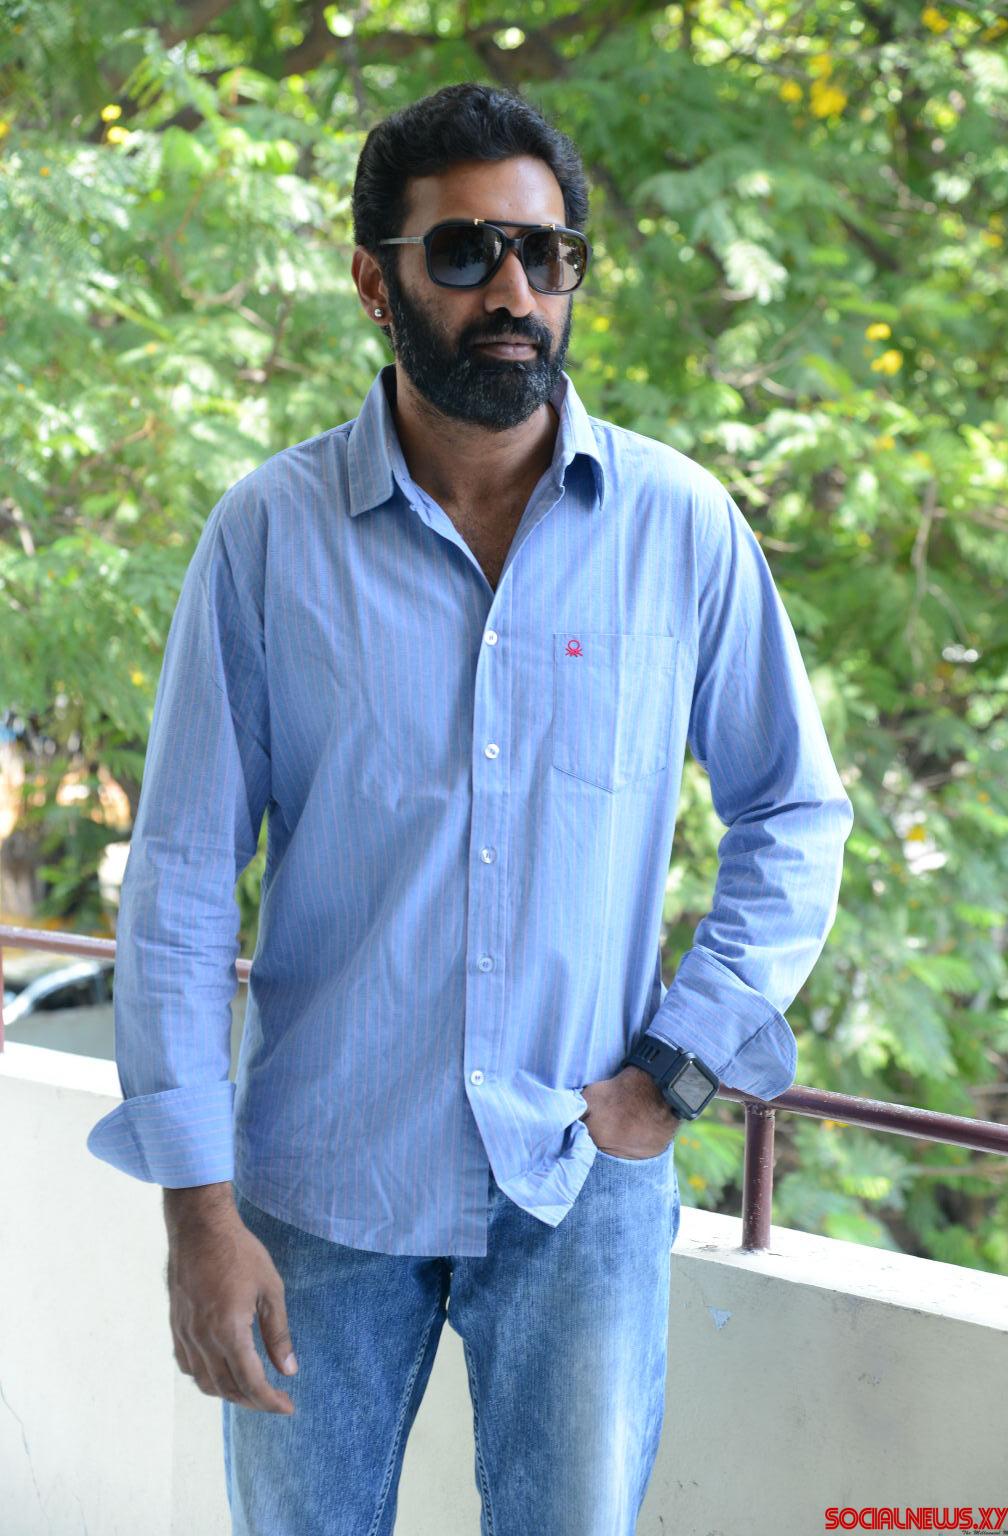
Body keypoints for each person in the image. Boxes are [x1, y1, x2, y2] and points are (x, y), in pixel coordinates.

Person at [87, 80, 855, 1536]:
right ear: (374, 280)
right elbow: (181, 879)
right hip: (317, 1190)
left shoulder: (680, 527)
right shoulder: (266, 538)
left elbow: (794, 812)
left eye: (546, 255)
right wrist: (197, 1214)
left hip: (581, 1179)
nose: (513, 292)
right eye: (464, 253)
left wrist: (677, 1070)